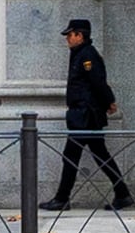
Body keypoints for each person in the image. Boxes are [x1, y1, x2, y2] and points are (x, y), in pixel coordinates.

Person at [53, 15, 130, 209]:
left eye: (70, 35)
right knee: (99, 155)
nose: (67, 39)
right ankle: (122, 193)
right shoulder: (80, 53)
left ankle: (62, 199)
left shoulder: (87, 55)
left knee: (71, 156)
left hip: (85, 116)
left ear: (80, 36)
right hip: (83, 114)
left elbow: (98, 82)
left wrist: (109, 101)